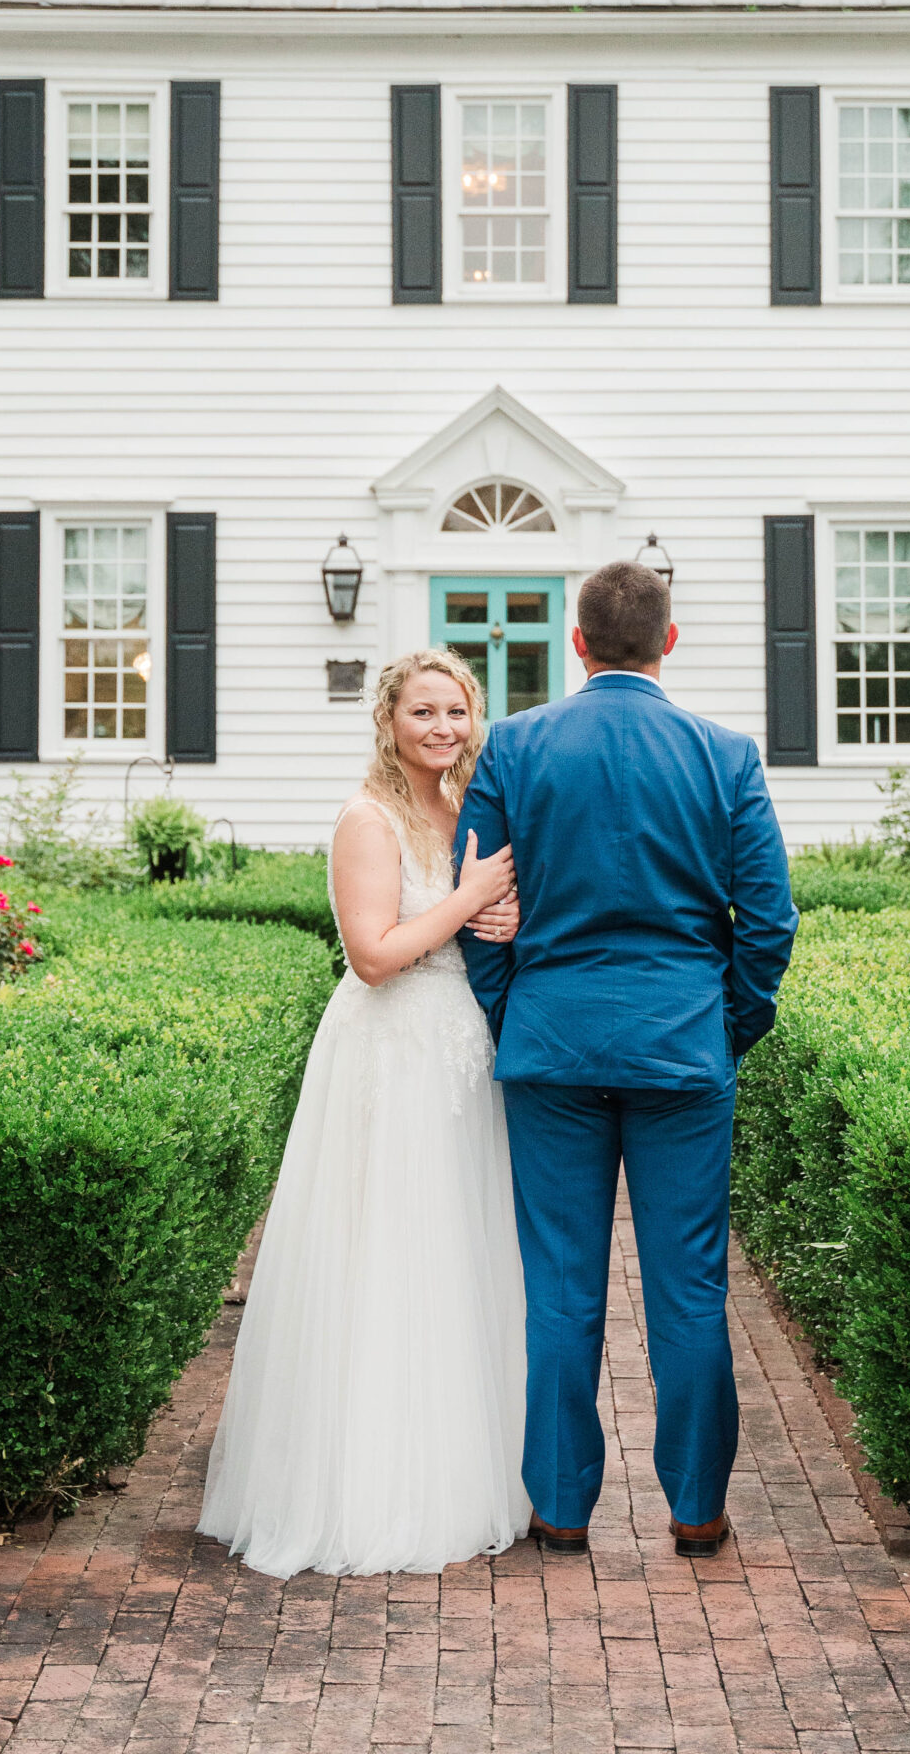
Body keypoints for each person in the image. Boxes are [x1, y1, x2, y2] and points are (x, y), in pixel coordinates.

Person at [456, 560, 797, 1559]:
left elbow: (477, 907)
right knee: (687, 1287)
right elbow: (766, 920)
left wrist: (511, 1012)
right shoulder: (722, 754)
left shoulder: (514, 746)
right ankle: (696, 1508)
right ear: (668, 640)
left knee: (560, 1288)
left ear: (576, 644)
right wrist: (722, 1024)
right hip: (681, 1048)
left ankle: (559, 1507)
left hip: (552, 1045)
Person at [198, 647, 530, 1578]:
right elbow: (375, 954)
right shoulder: (366, 817)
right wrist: (469, 900)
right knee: (385, 1249)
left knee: (456, 1253)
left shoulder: (467, 807)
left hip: (460, 1050)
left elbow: (479, 924)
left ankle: (462, 1467)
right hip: (388, 1051)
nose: (442, 729)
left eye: (456, 713)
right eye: (423, 713)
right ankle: (366, 1486)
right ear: (389, 721)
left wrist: (497, 920)